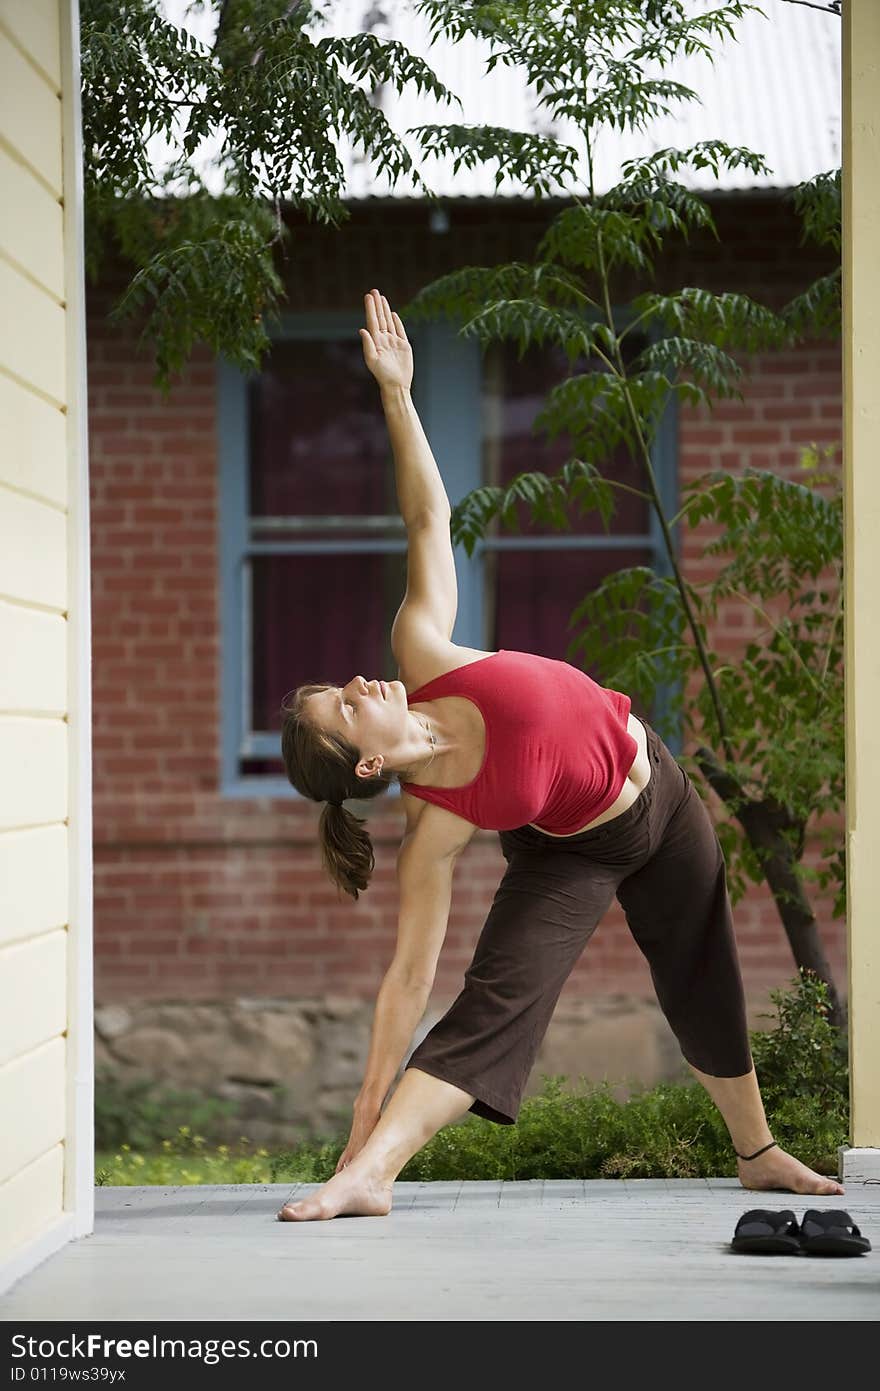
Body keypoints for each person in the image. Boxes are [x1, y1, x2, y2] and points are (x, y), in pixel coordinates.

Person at [277, 288, 844, 1221]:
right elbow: (409, 978)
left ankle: (759, 1151)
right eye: (344, 706)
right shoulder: (436, 827)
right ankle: (371, 1175)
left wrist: (398, 397)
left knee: (699, 963)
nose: (358, 683)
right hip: (573, 847)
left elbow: (427, 522)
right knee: (499, 1002)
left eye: (342, 684)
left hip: (657, 786)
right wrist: (363, 1108)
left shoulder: (423, 655)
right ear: (365, 766)